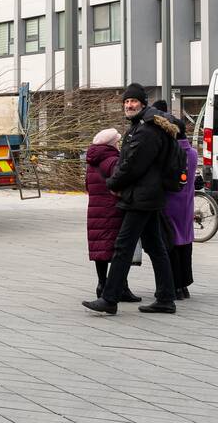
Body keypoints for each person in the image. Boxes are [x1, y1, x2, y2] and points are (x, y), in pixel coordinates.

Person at [84, 83, 177, 316]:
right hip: (147, 195)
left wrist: (113, 183)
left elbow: (133, 165)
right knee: (156, 247)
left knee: (123, 246)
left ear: (143, 104)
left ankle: (110, 298)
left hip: (141, 197)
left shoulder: (146, 131)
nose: (129, 105)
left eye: (133, 101)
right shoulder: (143, 127)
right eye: (126, 102)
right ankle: (166, 298)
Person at [83, 128, 141, 305]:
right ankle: (121, 287)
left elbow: (87, 185)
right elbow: (120, 182)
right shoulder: (112, 160)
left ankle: (101, 284)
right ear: (111, 144)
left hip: (95, 210)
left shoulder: (92, 161)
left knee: (100, 249)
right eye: (117, 141)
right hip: (113, 210)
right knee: (119, 250)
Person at [152, 101, 198, 300]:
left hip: (169, 204)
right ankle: (184, 286)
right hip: (187, 205)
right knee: (185, 244)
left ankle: (174, 286)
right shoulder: (193, 153)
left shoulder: (169, 154)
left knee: (170, 245)